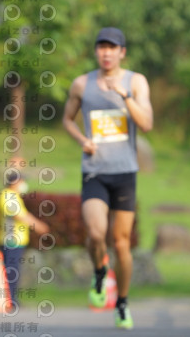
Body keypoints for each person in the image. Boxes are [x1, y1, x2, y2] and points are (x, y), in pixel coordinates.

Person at [62, 27, 153, 330]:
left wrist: (125, 97)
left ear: (122, 52)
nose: (106, 52)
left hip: (125, 172)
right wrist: (82, 140)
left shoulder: (135, 81)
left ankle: (123, 303)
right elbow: (67, 119)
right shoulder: (81, 84)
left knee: (122, 243)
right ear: (96, 51)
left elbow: (147, 124)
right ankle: (100, 271)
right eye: (101, 46)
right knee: (97, 233)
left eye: (112, 47)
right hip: (95, 172)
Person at [0, 169, 50, 308]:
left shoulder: (14, 196)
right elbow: (20, 216)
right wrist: (39, 226)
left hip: (17, 241)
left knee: (14, 270)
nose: (24, 184)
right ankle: (10, 301)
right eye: (22, 181)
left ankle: (12, 300)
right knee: (11, 271)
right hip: (11, 240)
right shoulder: (7, 196)